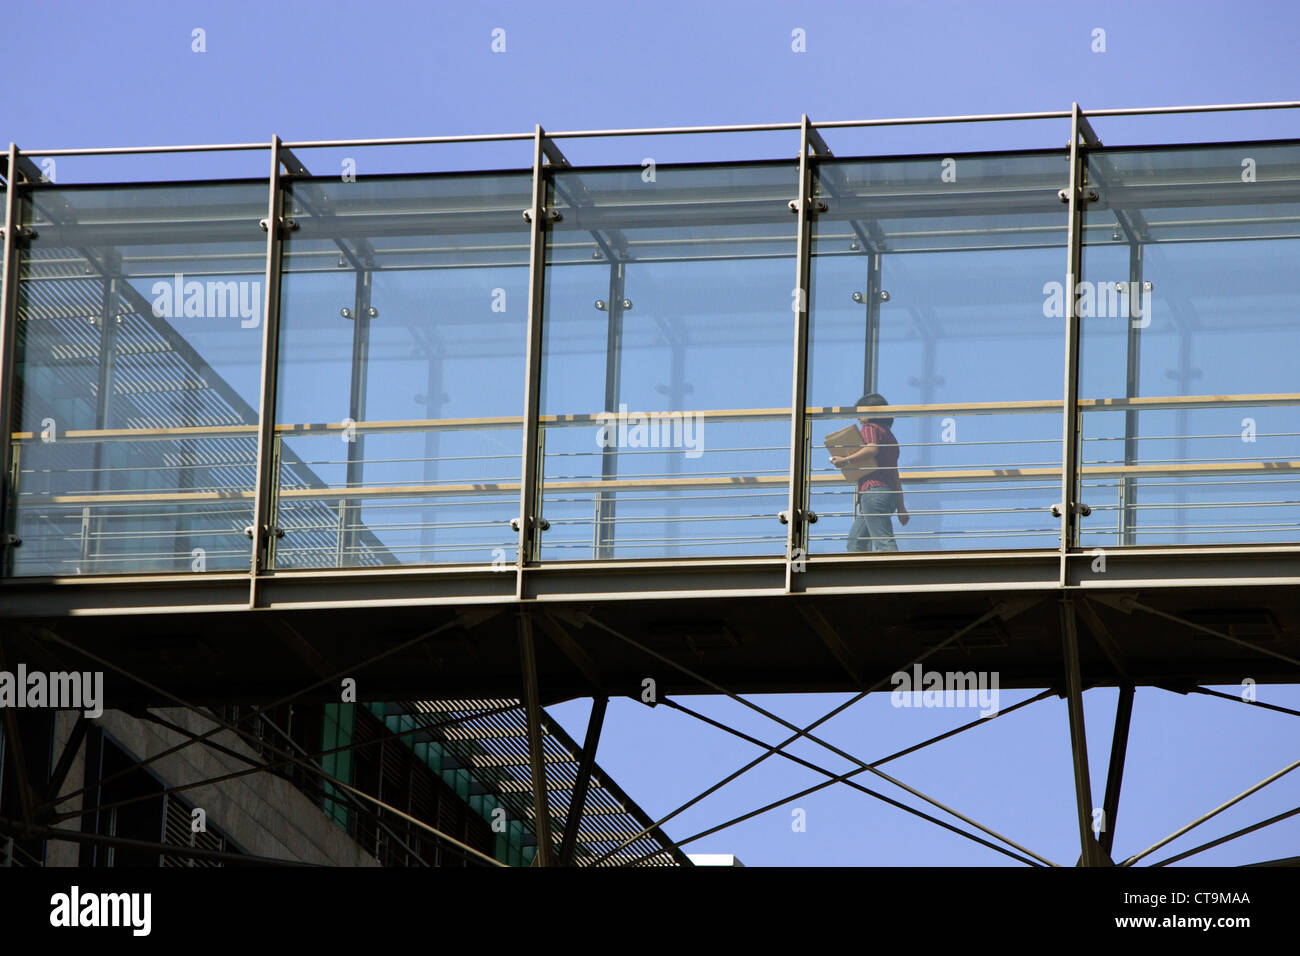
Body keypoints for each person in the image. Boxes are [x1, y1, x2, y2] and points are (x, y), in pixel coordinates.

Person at [829, 393, 908, 552]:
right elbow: (894, 473)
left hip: (874, 492)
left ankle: (896, 575)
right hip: (888, 494)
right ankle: (863, 575)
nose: (858, 417)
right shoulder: (889, 435)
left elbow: (871, 449)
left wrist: (845, 460)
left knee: (883, 543)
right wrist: (901, 506)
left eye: (861, 412)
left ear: (872, 412)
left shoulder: (870, 428)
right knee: (855, 542)